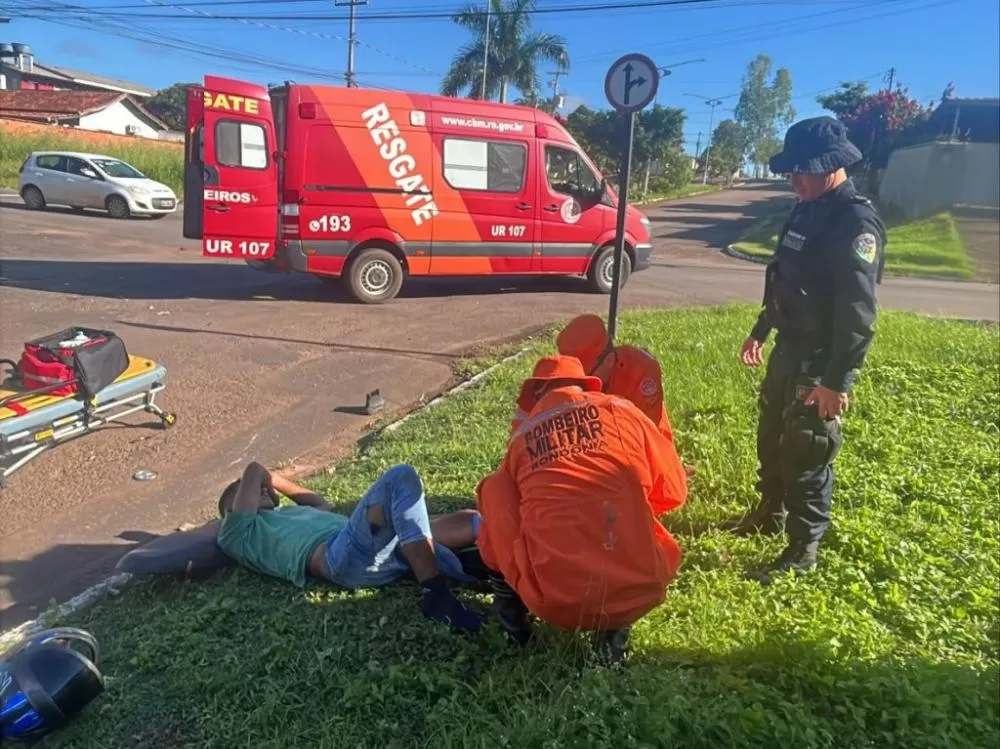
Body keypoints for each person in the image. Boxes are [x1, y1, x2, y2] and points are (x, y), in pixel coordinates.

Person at [733, 116, 887, 584]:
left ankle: (804, 547)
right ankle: (769, 514)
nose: (795, 179)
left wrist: (837, 380)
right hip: (787, 346)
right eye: (791, 171)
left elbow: (858, 311)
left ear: (833, 167)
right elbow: (783, 276)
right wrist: (761, 329)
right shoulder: (805, 207)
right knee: (770, 438)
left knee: (807, 449)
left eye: (804, 170)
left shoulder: (855, 221)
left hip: (821, 356)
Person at [477, 355, 686, 664]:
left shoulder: (522, 438)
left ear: (537, 395)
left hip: (553, 600)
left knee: (494, 489)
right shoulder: (623, 411)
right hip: (641, 585)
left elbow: (505, 526)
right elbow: (674, 492)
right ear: (586, 384)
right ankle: (615, 627)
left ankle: (514, 625)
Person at [216, 461, 485, 633]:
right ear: (231, 508)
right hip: (341, 556)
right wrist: (260, 479)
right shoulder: (237, 533)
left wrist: (272, 481)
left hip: (370, 543)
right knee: (400, 477)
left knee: (469, 519)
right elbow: (253, 469)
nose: (258, 489)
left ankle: (493, 565)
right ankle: (436, 595)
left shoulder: (289, 516)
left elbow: (320, 502)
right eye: (243, 490)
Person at [513, 313, 693, 483]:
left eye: (586, 373)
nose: (580, 381)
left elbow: (648, 436)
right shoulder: (564, 379)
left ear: (607, 360)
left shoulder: (643, 371)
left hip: (639, 440)